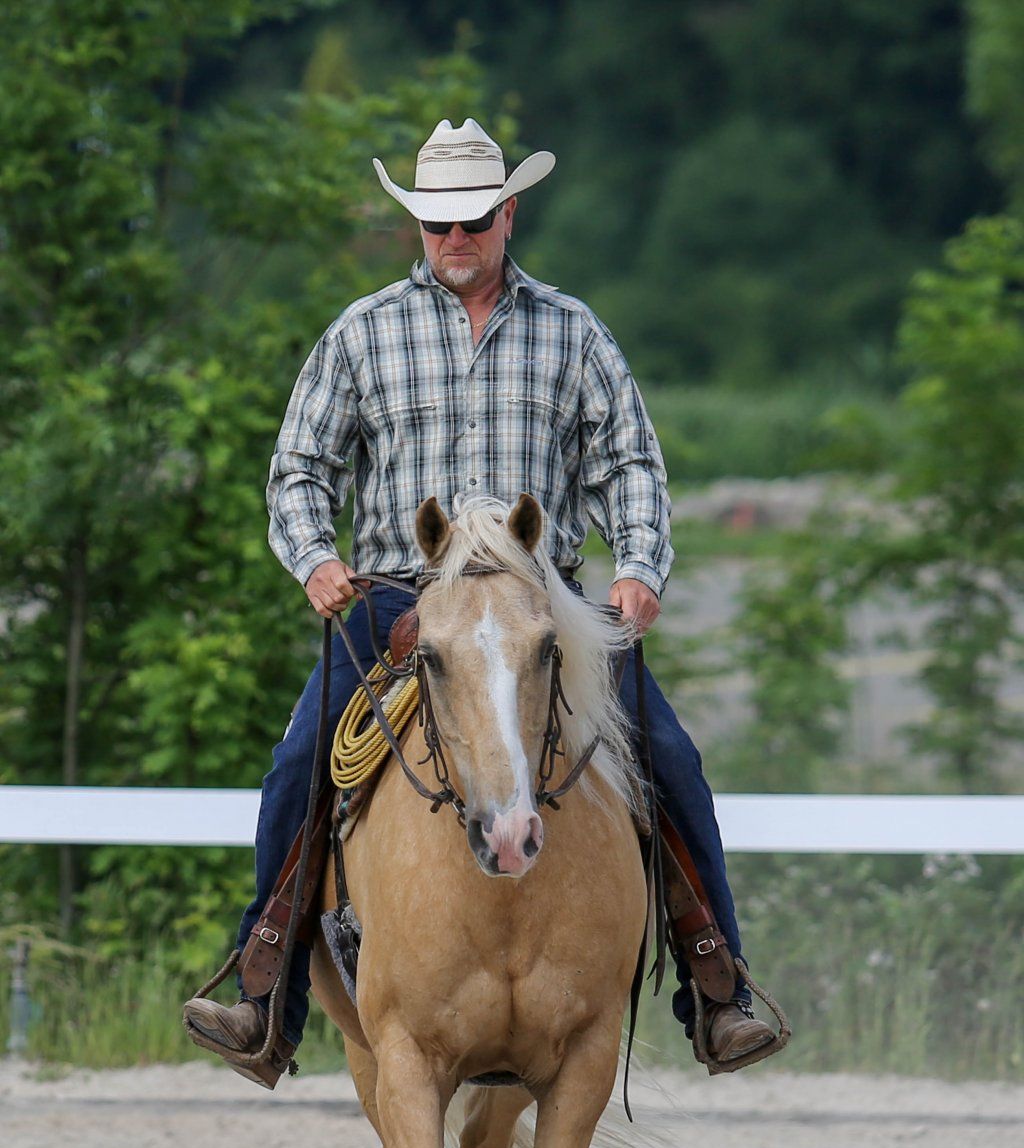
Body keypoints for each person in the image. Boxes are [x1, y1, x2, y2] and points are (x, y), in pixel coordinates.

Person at [183, 117, 782, 1078]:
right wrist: (312, 559)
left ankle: (719, 989)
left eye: (472, 221)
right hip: (395, 596)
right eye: (437, 225)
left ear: (508, 213)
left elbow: (631, 463)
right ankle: (267, 994)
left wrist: (637, 567)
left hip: (543, 606)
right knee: (301, 761)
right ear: (418, 225)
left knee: (668, 753)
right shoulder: (363, 332)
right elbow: (299, 469)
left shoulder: (573, 330)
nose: (454, 240)